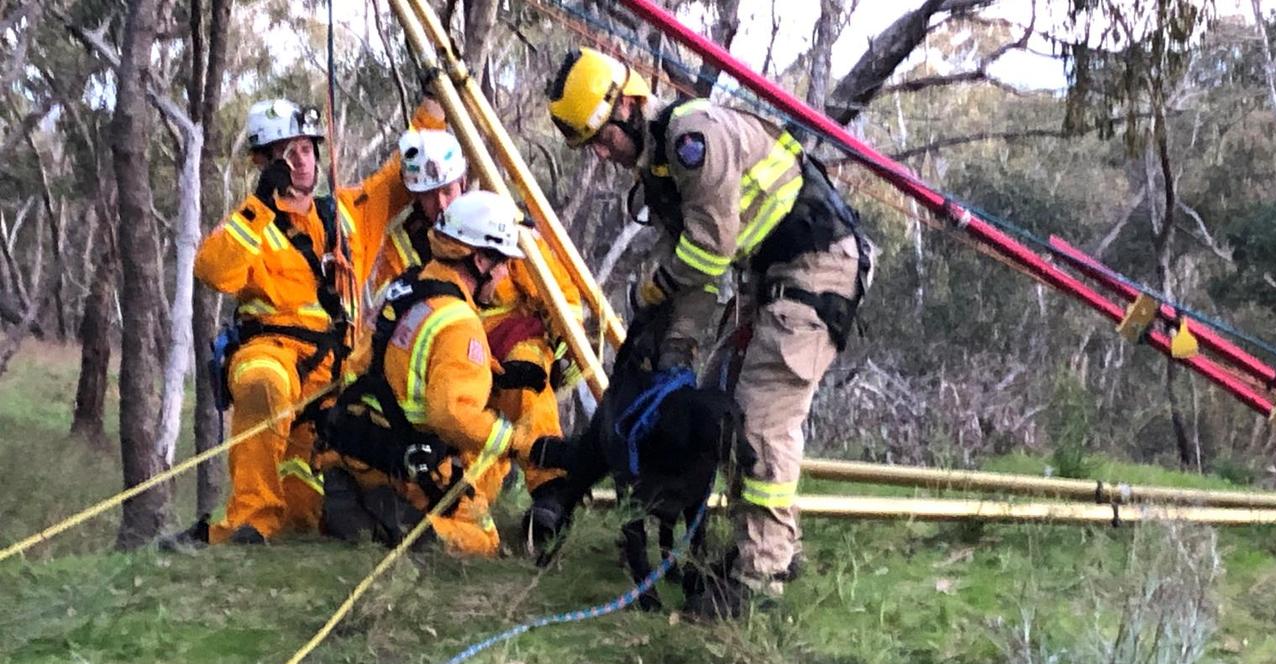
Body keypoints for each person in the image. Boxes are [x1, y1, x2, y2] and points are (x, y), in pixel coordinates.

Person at [547, 48, 873, 618]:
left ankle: (759, 577)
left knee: (760, 416)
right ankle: (773, 546)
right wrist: (675, 350)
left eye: (603, 139)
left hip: (818, 267)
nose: (602, 155)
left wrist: (653, 290)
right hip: (769, 276)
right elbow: (696, 279)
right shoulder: (662, 175)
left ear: (627, 106)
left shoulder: (693, 140)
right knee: (717, 395)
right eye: (590, 147)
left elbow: (707, 252)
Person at [193, 98, 432, 544]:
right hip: (273, 353)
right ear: (265, 161)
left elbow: (398, 175)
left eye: (307, 148)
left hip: (336, 375)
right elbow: (213, 271)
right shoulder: (250, 223)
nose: (303, 160)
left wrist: (434, 107)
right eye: (289, 151)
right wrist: (262, 203)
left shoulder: (344, 213)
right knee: (263, 381)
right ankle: (250, 521)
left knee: (311, 509)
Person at [315, 190, 567, 555]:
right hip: (405, 463)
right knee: (484, 539)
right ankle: (409, 526)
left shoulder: (406, 287)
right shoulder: (459, 322)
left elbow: (396, 362)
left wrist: (496, 375)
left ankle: (359, 498)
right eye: (502, 264)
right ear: (479, 260)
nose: (503, 274)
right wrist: (522, 443)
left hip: (356, 446)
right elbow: (451, 415)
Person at [372, 127, 585, 551]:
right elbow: (392, 316)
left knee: (528, 381)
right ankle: (444, 512)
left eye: (447, 190)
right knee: (466, 461)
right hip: (444, 359)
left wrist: (562, 355)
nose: (441, 204)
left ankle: (549, 494)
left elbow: (562, 301)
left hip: (505, 358)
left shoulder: (499, 222)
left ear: (464, 181)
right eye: (428, 196)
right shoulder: (403, 246)